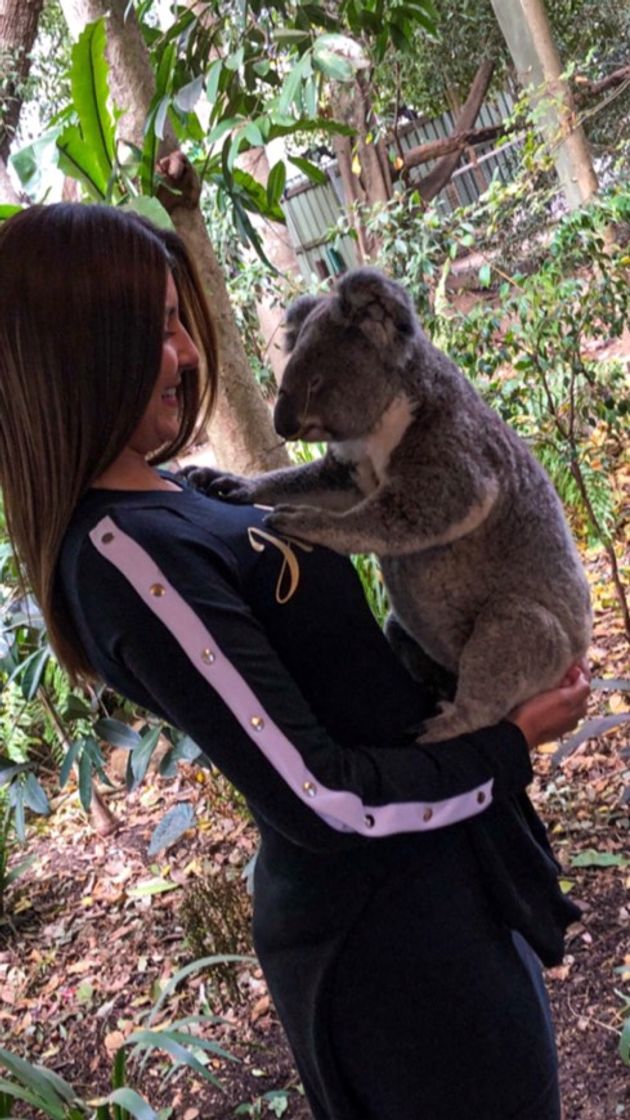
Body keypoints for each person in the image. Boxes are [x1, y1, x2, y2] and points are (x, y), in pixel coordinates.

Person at [0, 203, 590, 1120]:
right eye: (157, 329)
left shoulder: (177, 491)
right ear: (79, 348)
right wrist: (504, 746)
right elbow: (320, 797)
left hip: (449, 871)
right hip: (390, 941)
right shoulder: (122, 556)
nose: (190, 353)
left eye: (179, 321)